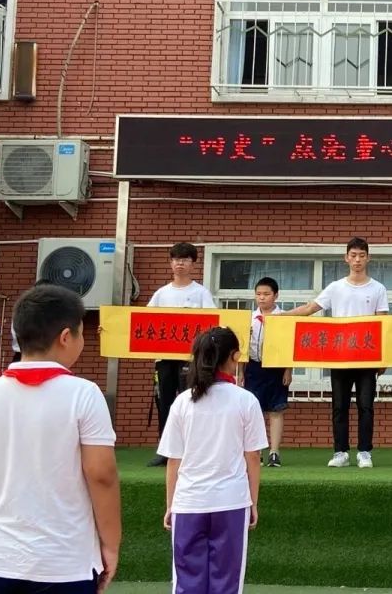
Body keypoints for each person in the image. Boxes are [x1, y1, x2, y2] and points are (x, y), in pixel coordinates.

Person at [0, 284, 121, 593]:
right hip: (65, 562)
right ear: (66, 337)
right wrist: (110, 544)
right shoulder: (85, 394)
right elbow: (101, 474)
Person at [159, 327, 266, 594]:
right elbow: (253, 457)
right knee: (227, 583)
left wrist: (171, 505)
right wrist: (253, 502)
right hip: (231, 501)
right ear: (235, 356)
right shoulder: (246, 401)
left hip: (188, 502)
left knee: (186, 582)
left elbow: (174, 460)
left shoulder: (182, 402)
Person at [284, 237, 389, 468]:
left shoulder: (378, 288)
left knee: (366, 406)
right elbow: (310, 308)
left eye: (362, 255)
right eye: (353, 255)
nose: (357, 260)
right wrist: (281, 317)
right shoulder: (336, 287)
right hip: (340, 356)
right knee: (339, 406)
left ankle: (364, 452)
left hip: (367, 357)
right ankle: (340, 451)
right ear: (346, 258)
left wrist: (384, 358)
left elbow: (383, 323)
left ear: (368, 258)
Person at [146, 242, 217, 467]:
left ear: (193, 264)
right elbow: (143, 321)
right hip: (164, 358)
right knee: (165, 402)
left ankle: (191, 450)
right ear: (170, 263)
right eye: (176, 259)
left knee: (190, 402)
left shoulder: (201, 293)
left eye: (185, 260)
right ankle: (165, 450)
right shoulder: (161, 294)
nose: (180, 264)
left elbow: (212, 322)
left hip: (190, 359)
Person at [240, 277, 291, 468]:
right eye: (259, 294)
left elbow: (288, 346)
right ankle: (256, 452)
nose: (262, 298)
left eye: (266, 294)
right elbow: (243, 347)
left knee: (276, 410)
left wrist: (288, 370)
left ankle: (274, 452)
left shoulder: (284, 318)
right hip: (254, 368)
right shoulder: (249, 319)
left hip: (276, 368)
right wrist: (241, 372)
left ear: (275, 296)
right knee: (255, 411)